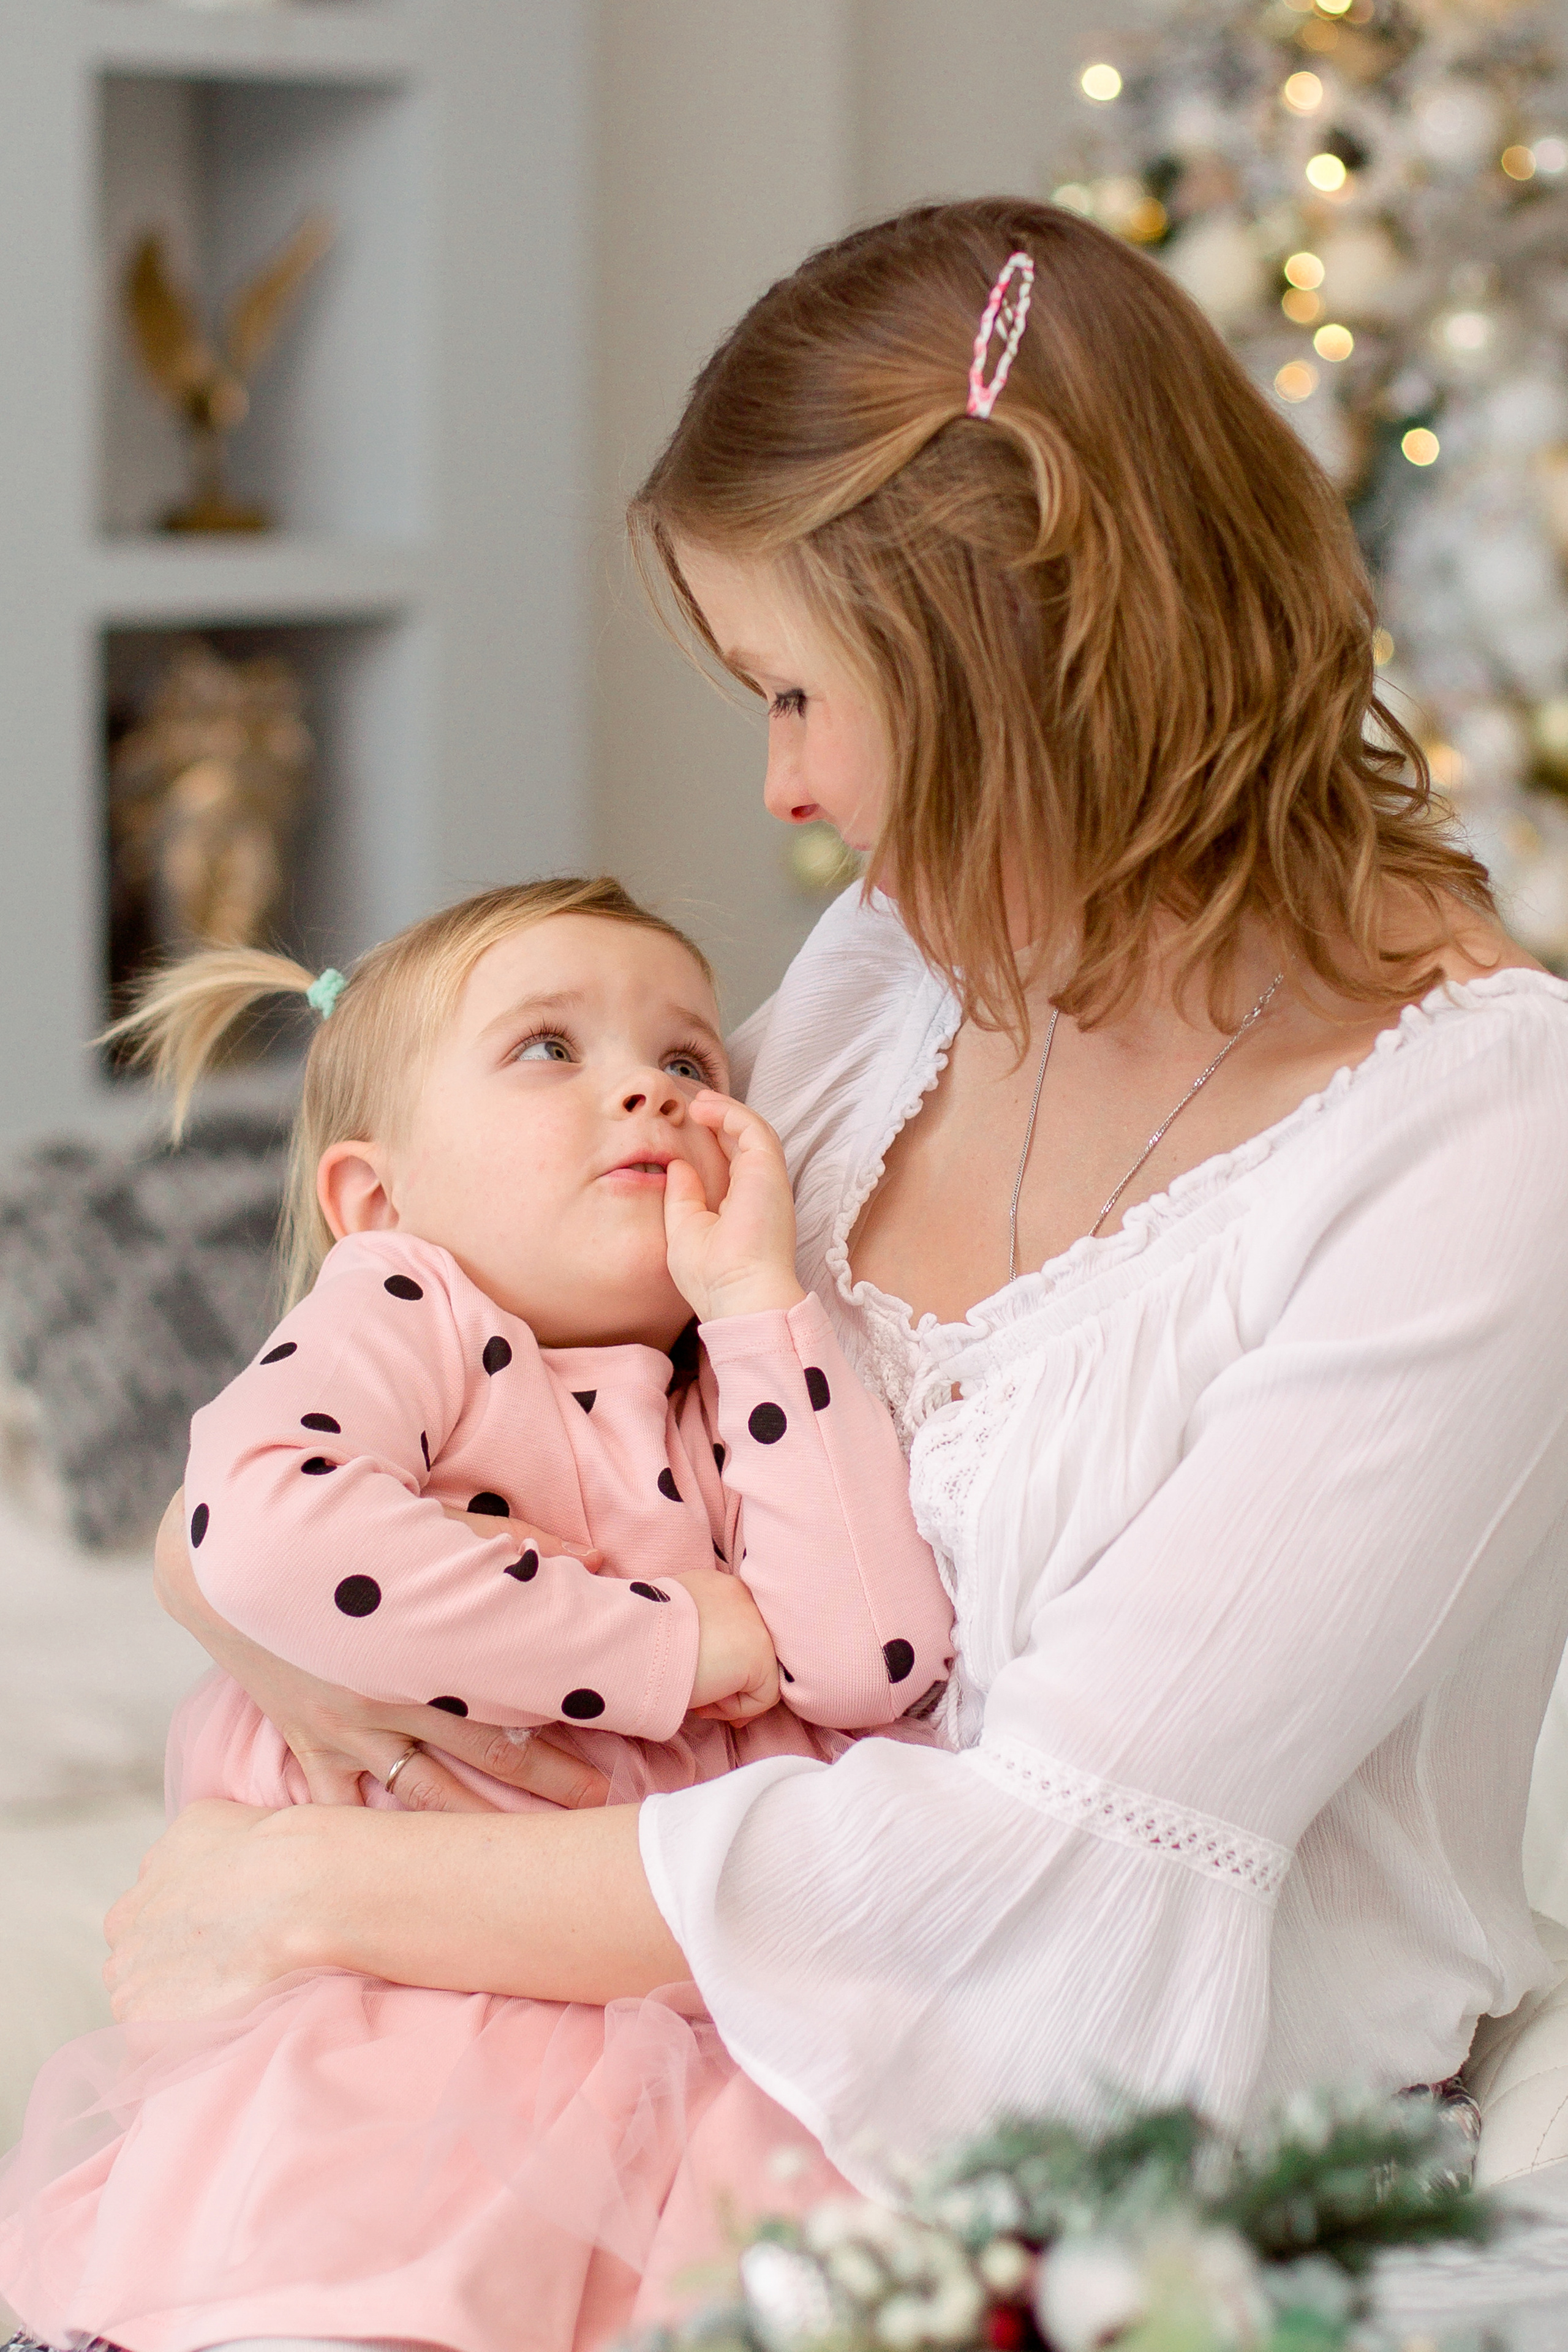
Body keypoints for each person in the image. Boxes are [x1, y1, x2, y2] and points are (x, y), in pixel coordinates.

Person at [12, 192, 1568, 2352]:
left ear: (1020, 664)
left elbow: (1061, 1868)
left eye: (804, 693)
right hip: (687, 2081)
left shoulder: (1481, 1142)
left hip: (1122, 2174)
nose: (792, 790)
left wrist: (318, 1889)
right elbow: (533, 1377)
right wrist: (234, 1561)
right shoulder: (910, 961)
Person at [0, 876, 951, 2351]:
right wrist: (663, 1641)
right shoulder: (411, 1310)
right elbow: (256, 1522)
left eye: (686, 1062)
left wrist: (763, 1302)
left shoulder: (729, 1381)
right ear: (378, 1199)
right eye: (546, 1050)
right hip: (399, 2018)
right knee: (350, 2291)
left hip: (667, 2013)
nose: (643, 1083)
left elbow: (868, 1660)